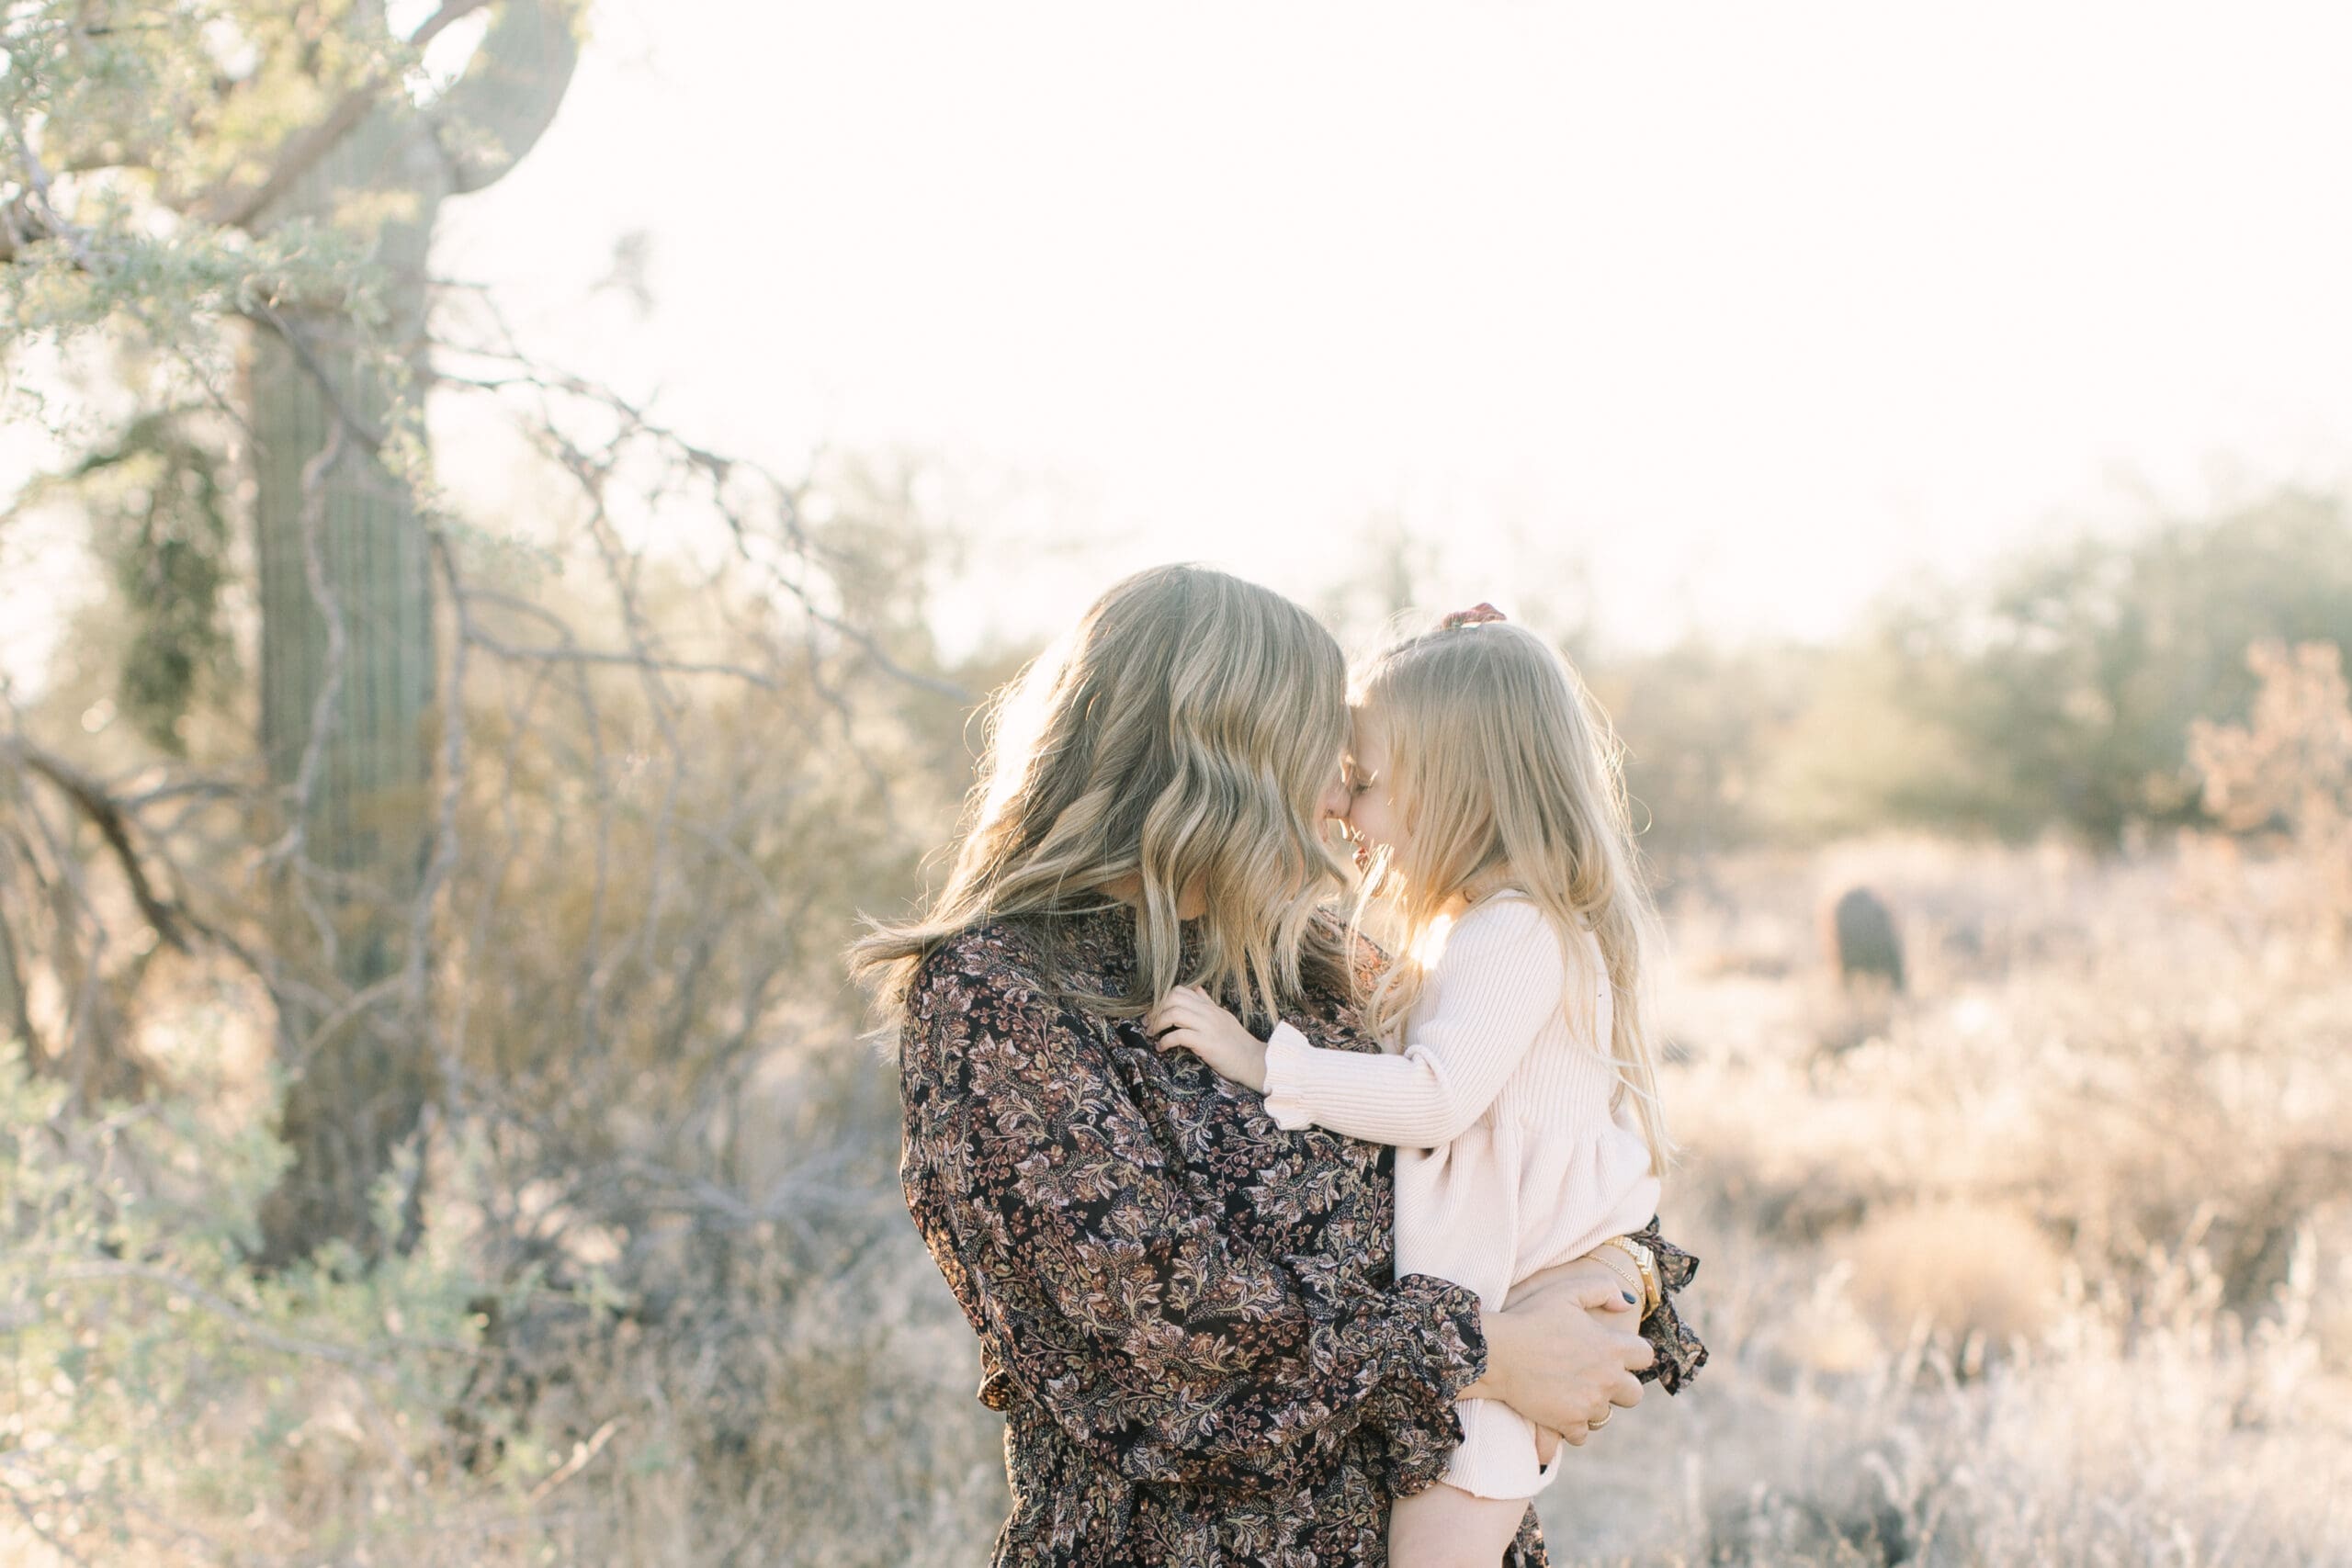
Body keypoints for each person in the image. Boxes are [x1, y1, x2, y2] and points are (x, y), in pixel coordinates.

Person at [852, 566, 1703, 1567]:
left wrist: (1613, 1278)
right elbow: (1170, 1342)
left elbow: (1546, 1163)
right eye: (1329, 757)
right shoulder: (1002, 994)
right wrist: (1493, 1353)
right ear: (1220, 759)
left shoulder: (1323, 966)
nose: (1345, 800)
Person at [1149, 604, 1698, 1568]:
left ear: (1457, 787)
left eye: (1366, 782)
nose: (1348, 812)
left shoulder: (1516, 934)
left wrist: (1258, 1060)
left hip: (1510, 1317)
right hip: (1492, 1321)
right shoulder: (1491, 930)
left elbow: (1437, 1097)